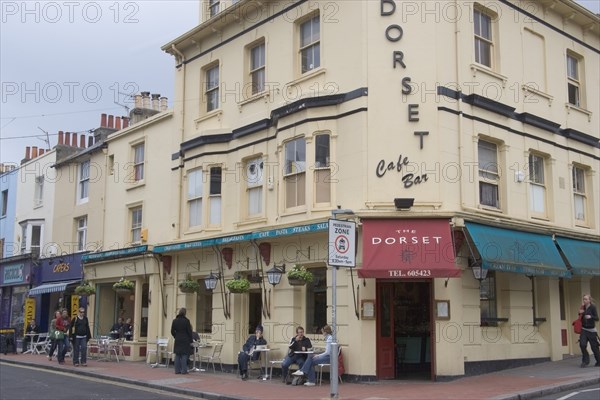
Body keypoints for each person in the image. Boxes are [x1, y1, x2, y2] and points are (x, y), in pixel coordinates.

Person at [578, 294, 600, 368]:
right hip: (584, 329)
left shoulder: (593, 307)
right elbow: (580, 317)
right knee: (582, 344)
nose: (584, 300)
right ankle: (585, 361)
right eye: (584, 299)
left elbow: (597, 318)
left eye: (586, 299)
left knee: (594, 347)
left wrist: (591, 317)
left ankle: (599, 361)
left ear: (589, 300)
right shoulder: (582, 307)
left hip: (591, 330)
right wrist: (580, 313)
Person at [170, 307, 193, 375]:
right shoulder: (186, 321)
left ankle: (177, 370)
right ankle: (184, 370)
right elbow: (189, 331)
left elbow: (172, 331)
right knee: (184, 355)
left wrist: (175, 336)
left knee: (177, 355)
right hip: (185, 339)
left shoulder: (175, 321)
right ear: (185, 313)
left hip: (177, 339)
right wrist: (190, 340)